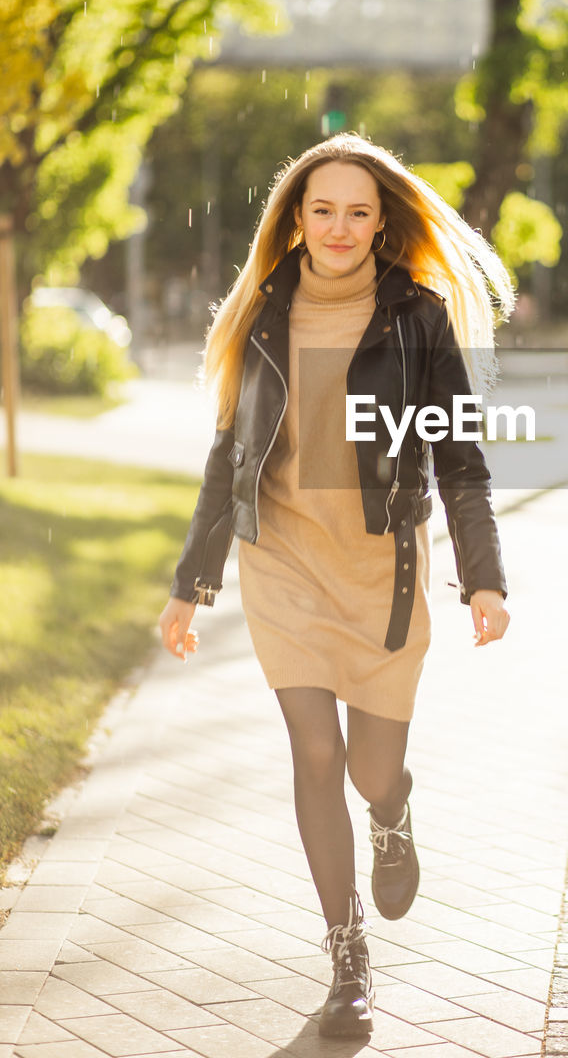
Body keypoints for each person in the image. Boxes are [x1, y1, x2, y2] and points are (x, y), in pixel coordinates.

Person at [158, 132, 513, 1038]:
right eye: (323, 209)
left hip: (379, 569)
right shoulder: (261, 312)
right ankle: (347, 957)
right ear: (296, 218)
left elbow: (460, 461)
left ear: (381, 220)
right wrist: (191, 584)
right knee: (314, 755)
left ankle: (391, 811)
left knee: (367, 766)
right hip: (281, 560)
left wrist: (483, 578)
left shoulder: (418, 318)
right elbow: (227, 455)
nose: (340, 227)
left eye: (359, 211)